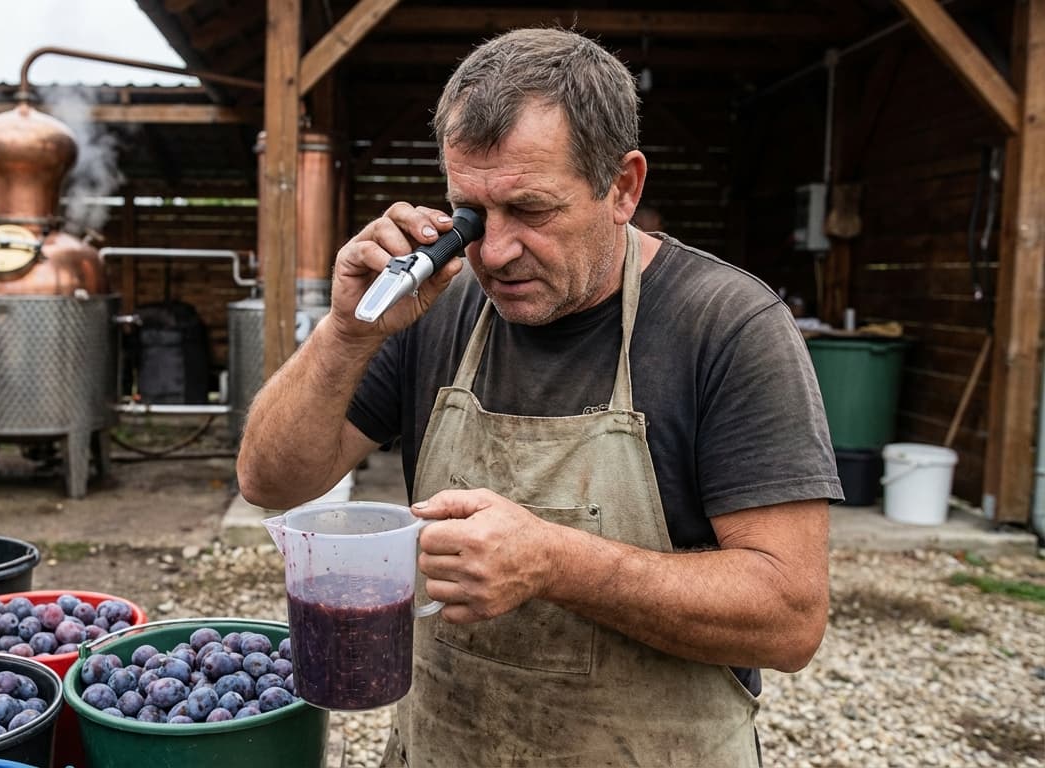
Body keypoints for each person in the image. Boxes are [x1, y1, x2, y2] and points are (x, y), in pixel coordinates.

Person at [237, 27, 839, 767]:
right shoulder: (435, 306)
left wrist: (557, 563)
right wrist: (345, 332)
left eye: (532, 210)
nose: (493, 251)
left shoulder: (728, 327)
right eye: (472, 213)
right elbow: (270, 482)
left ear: (623, 187)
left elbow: (789, 618)